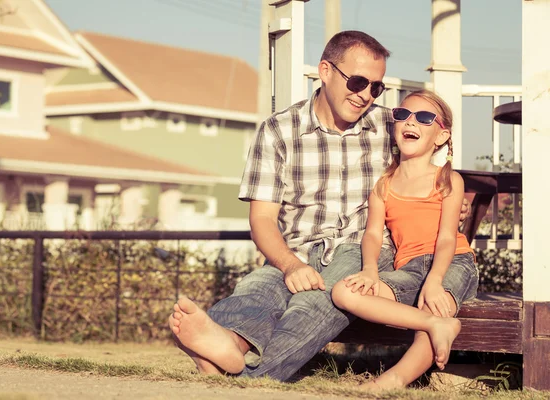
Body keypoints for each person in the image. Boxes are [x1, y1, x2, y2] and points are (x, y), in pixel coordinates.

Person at [168, 30, 469, 381]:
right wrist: (289, 264)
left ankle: (246, 374)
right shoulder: (278, 131)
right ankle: (227, 342)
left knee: (316, 302)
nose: (365, 96)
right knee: (259, 288)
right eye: (357, 82)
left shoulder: (392, 124)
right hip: (296, 247)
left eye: (376, 87)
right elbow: (262, 219)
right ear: (325, 70)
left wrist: (453, 204)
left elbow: (429, 167)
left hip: (360, 250)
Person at [331, 89, 479, 391]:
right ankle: (437, 325)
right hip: (408, 269)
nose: (411, 122)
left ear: (441, 136)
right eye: (402, 115)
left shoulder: (449, 179)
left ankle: (393, 380)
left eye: (424, 118)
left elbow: (448, 238)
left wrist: (435, 280)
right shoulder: (384, 184)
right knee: (343, 292)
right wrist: (370, 269)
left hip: (452, 264)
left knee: (434, 305)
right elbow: (372, 233)